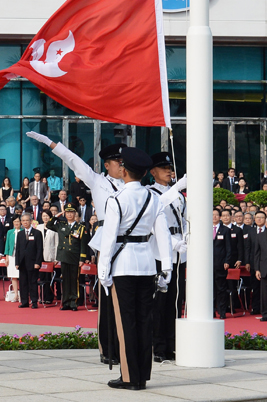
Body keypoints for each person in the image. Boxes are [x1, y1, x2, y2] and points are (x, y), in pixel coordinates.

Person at [26, 130, 125, 366]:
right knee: (106, 294)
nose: (122, 166)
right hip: (106, 238)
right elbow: (72, 160)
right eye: (118, 163)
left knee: (125, 295)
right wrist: (50, 143)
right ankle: (108, 347)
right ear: (108, 164)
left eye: (124, 163)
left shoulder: (131, 186)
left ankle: (125, 345)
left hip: (129, 240)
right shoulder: (98, 180)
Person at [96, 147, 170, 391]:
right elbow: (163, 236)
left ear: (124, 171)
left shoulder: (116, 200)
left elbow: (109, 240)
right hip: (147, 265)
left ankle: (129, 377)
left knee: (126, 322)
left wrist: (103, 270)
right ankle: (142, 376)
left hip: (123, 266)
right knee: (144, 321)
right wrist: (166, 268)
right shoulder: (154, 198)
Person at [147, 152, 187, 362]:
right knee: (159, 303)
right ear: (153, 172)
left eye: (170, 168)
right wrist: (173, 243)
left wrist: (187, 242)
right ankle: (158, 345)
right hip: (160, 253)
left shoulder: (179, 195)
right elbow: (153, 218)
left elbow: (185, 220)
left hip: (180, 253)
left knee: (175, 300)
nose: (169, 172)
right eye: (164, 169)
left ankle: (173, 344)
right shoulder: (150, 193)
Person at [54, 204, 87, 311]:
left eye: (71, 212)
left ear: (75, 214)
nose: (69, 214)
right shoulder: (61, 225)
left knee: (74, 280)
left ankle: (74, 302)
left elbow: (83, 244)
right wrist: (57, 216)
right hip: (64, 256)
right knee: (66, 280)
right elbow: (49, 225)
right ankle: (66, 302)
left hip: (74, 257)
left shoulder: (80, 227)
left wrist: (82, 258)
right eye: (67, 212)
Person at [15, 212, 43, 308]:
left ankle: (34, 301)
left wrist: (37, 262)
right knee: (23, 283)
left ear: (31, 221)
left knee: (33, 283)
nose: (25, 222)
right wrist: (17, 262)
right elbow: (18, 249)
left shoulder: (37, 233)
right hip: (22, 263)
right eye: (23, 220)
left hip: (33, 262)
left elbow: (39, 249)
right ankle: (24, 301)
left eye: (27, 220)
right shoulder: (20, 234)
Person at [211, 208, 232, 319]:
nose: (214, 217)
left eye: (216, 215)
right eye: (212, 215)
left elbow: (229, 248)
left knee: (221, 289)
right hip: (209, 265)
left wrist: (227, 261)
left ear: (220, 217)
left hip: (221, 264)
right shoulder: (205, 229)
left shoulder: (225, 230)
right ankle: (212, 311)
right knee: (210, 289)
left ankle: (222, 311)